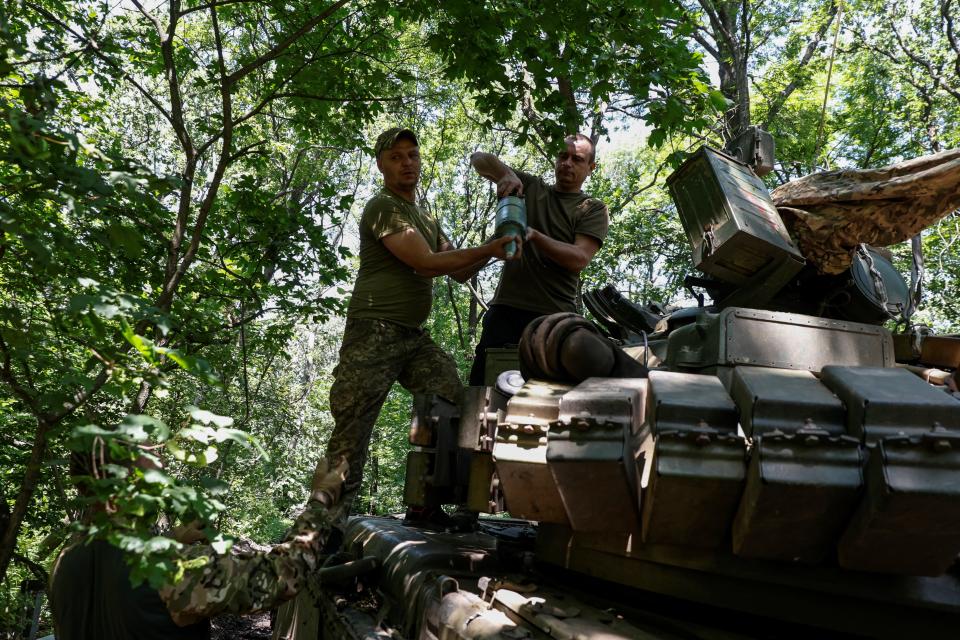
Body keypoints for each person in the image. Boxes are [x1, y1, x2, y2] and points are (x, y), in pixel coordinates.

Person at [325, 127, 517, 524]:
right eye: (395, 157)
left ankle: (425, 502)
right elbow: (425, 263)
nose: (406, 163)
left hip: (411, 337)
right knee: (351, 435)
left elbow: (459, 271)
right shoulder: (384, 207)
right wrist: (489, 249)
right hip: (374, 332)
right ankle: (321, 532)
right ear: (381, 164)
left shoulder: (424, 216)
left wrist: (496, 248)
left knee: (450, 398)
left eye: (411, 154)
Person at [49, 455, 349, 639]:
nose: (163, 471)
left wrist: (174, 542)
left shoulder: (68, 558)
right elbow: (282, 573)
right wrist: (321, 499)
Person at [467, 133, 609, 385]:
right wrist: (506, 174)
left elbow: (579, 258)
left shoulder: (592, 208)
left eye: (577, 159)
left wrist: (533, 235)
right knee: (484, 392)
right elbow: (478, 159)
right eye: (562, 156)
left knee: (551, 398)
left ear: (590, 168)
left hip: (554, 319)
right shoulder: (531, 187)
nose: (567, 163)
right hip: (505, 312)